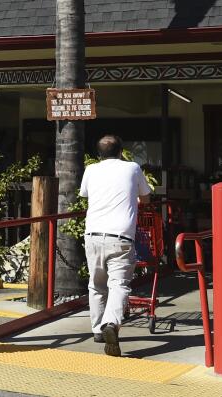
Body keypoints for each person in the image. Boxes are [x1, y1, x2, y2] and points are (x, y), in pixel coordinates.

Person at [79, 134, 152, 357]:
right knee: (119, 284)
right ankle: (111, 323)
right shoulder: (132, 168)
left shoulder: (91, 170)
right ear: (121, 152)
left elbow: (85, 195)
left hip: (93, 234)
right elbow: (146, 198)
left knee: (96, 284)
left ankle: (98, 330)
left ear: (99, 154)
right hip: (121, 237)